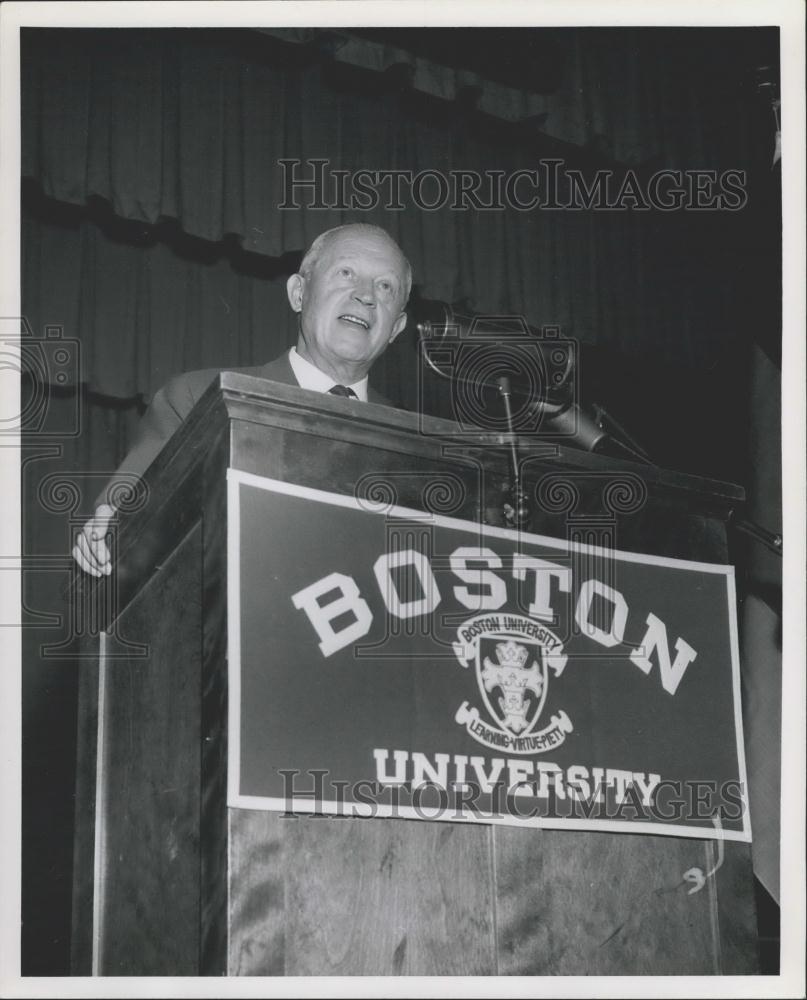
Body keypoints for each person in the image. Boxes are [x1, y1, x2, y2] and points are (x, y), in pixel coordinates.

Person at [72, 222, 412, 577]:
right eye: (346, 273)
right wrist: (110, 533)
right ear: (299, 293)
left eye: (385, 286)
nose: (366, 295)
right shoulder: (198, 399)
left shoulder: (418, 446)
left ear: (397, 327)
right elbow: (123, 525)